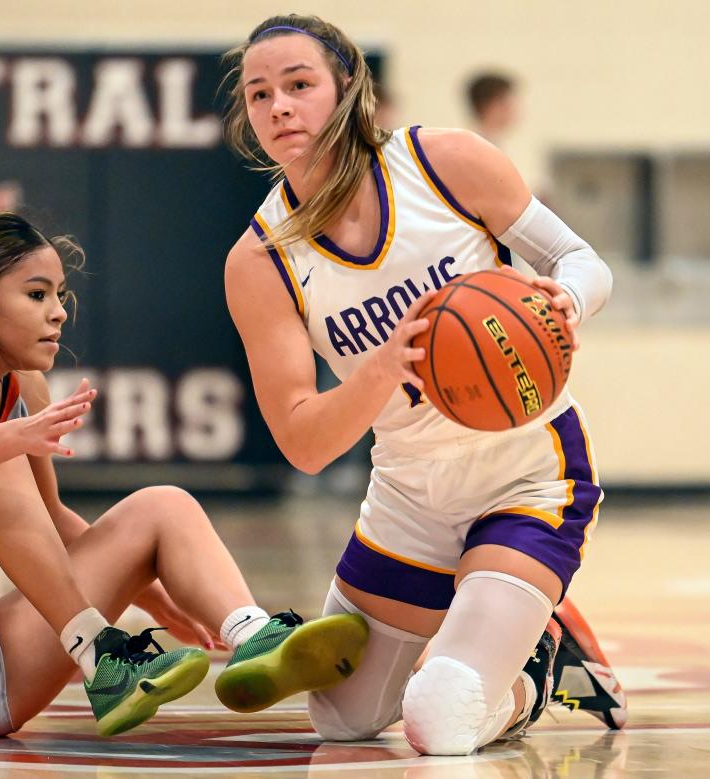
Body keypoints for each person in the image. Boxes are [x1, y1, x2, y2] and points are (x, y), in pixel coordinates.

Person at [220, 15, 627, 755]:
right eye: (259, 94)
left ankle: (529, 672)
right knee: (340, 720)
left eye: (299, 84)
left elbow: (579, 257)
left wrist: (568, 298)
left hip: (527, 476)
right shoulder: (259, 261)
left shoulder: (442, 162)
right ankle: (507, 628)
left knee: (439, 716)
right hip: (410, 493)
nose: (279, 106)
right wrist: (382, 367)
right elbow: (303, 441)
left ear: (347, 89)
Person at [0, 212, 368, 740]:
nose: (59, 312)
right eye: (37, 294)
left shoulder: (24, 388)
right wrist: (11, 438)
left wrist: (153, 594)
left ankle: (251, 634)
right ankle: (101, 655)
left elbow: (49, 521)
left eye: (61, 296)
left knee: (161, 505)